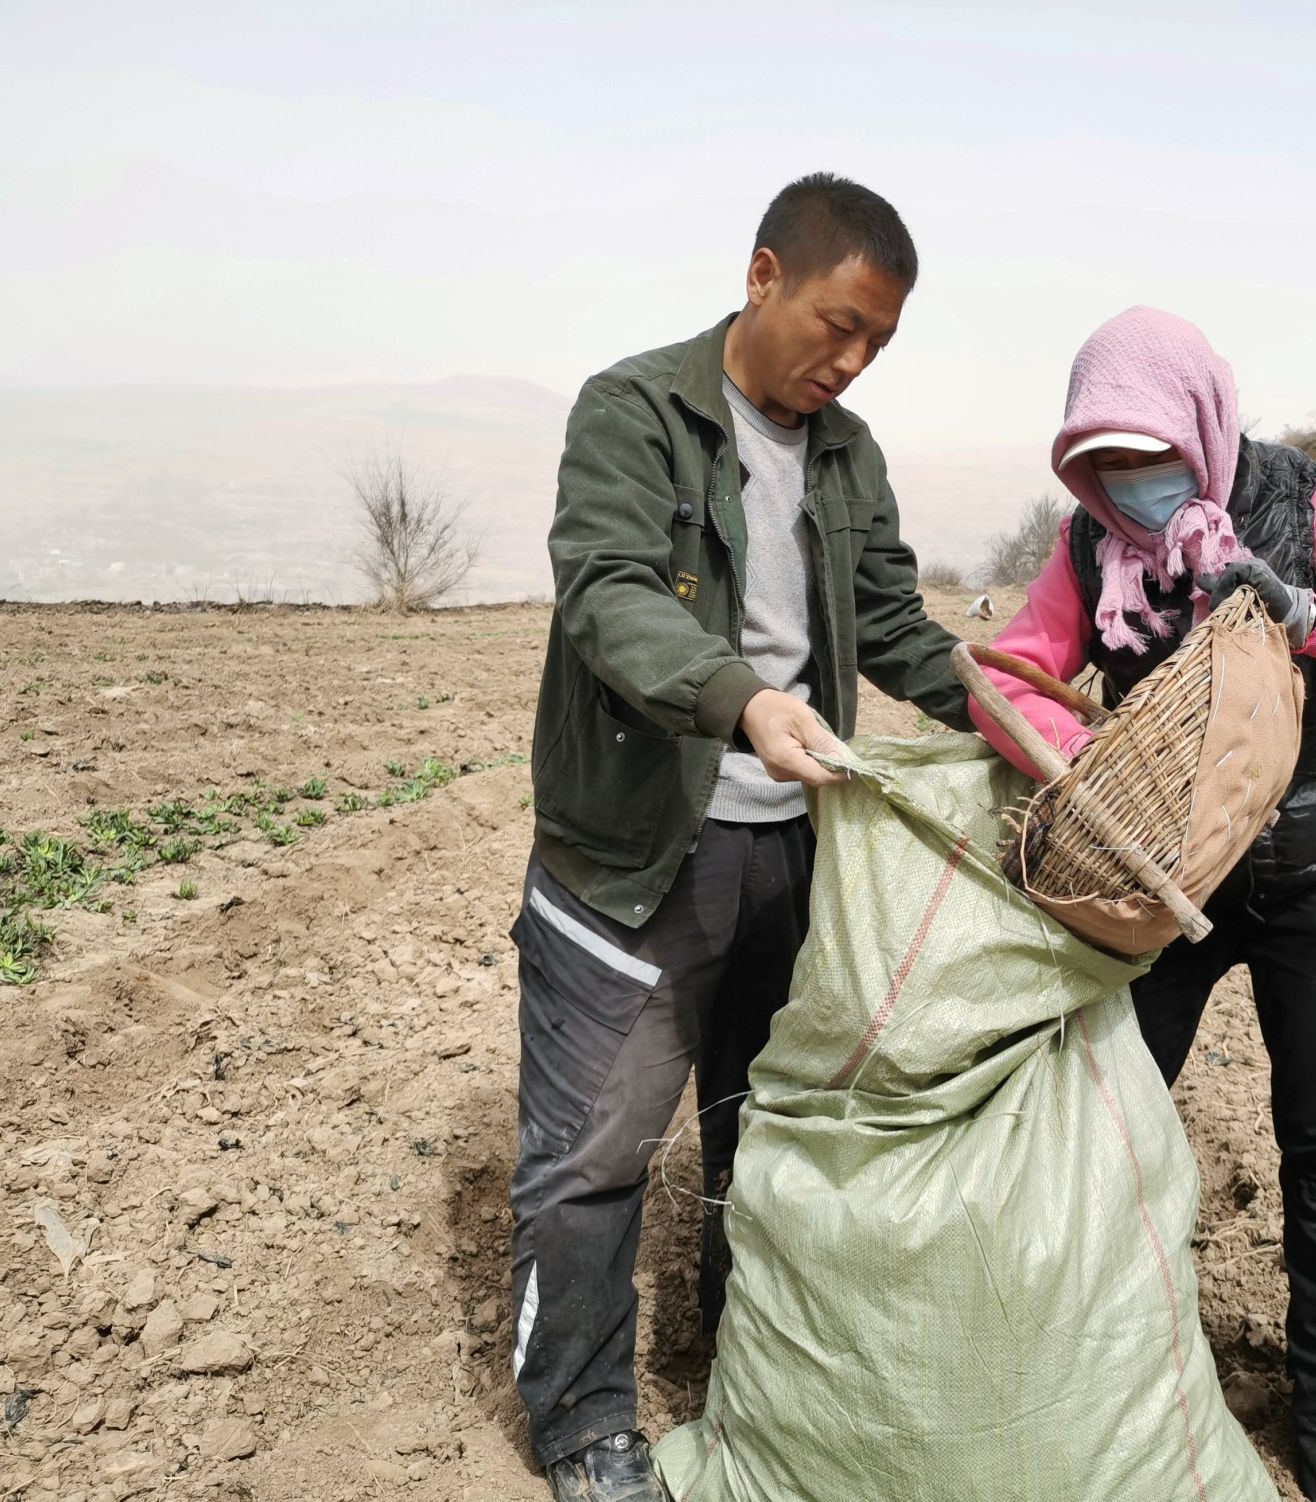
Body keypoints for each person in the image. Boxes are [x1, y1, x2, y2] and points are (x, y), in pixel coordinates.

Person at [511, 173, 973, 1502]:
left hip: (789, 852)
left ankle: (743, 1356)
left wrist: (994, 703)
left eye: (878, 340)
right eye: (839, 323)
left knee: (760, 1127)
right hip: (637, 853)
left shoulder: (848, 454)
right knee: (594, 1154)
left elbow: (887, 621)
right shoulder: (634, 411)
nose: (852, 359)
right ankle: (584, 1421)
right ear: (764, 275)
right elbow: (609, 594)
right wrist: (744, 700)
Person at [968, 307, 1316, 1502]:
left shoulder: (1304, 497)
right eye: (1100, 463)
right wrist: (1072, 762)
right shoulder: (1089, 546)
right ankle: (1097, 1354)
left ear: (1200, 427)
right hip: (1167, 884)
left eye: (1147, 456)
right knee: (1111, 1122)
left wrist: (1308, 613)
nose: (1128, 485)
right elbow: (1005, 676)